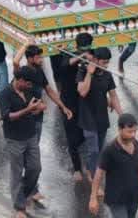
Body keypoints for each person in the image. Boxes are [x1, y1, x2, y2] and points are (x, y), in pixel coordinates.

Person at [1, 66, 47, 218]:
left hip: (31, 134)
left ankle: (23, 194)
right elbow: (8, 117)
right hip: (14, 138)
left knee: (35, 168)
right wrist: (28, 110)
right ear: (20, 80)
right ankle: (19, 207)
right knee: (16, 172)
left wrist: (39, 108)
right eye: (28, 84)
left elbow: (39, 104)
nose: (30, 87)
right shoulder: (5, 94)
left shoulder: (29, 89)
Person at [89, 113, 138, 218]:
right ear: (120, 129)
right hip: (116, 200)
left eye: (135, 131)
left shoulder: (136, 144)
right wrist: (93, 197)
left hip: (133, 197)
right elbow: (99, 174)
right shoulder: (110, 149)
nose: (133, 135)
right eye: (129, 132)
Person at [53, 31, 94, 180]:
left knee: (88, 135)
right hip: (69, 103)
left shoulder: (93, 55)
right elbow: (64, 65)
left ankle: (89, 166)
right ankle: (77, 168)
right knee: (72, 136)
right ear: (77, 47)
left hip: (86, 102)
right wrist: (82, 57)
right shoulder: (68, 56)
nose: (86, 52)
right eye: (82, 50)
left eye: (87, 49)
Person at [78, 47, 121, 180]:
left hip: (101, 117)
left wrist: (122, 115)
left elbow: (113, 95)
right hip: (87, 117)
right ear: (95, 60)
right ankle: (93, 178)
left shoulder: (107, 75)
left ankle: (89, 165)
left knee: (98, 149)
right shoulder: (83, 71)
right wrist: (89, 74)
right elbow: (82, 92)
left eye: (108, 62)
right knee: (94, 150)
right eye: (103, 62)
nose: (106, 65)